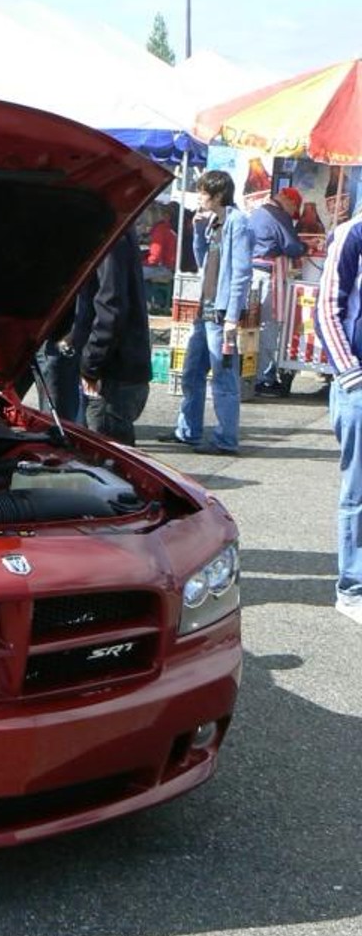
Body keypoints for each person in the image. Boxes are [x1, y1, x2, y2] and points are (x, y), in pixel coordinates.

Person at [165, 169, 253, 455]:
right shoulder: (214, 221)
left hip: (220, 312)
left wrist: (232, 316)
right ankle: (188, 430)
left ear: (217, 195)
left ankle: (226, 439)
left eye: (203, 192)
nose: (199, 196)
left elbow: (240, 272)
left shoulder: (237, 222)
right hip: (207, 308)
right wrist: (198, 231)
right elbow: (204, 261)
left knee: (223, 378)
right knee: (192, 372)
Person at [314, 213, 362, 624]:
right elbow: (328, 308)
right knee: (359, 492)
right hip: (359, 383)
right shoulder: (353, 234)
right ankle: (353, 588)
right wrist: (352, 375)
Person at [69, 223, 152, 444]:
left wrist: (91, 363)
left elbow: (111, 307)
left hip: (114, 373)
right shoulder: (118, 231)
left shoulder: (110, 235)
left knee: (108, 460)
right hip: (120, 368)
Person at [248, 186, 305, 394]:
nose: (293, 215)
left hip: (252, 274)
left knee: (252, 327)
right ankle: (264, 378)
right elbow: (292, 246)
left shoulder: (258, 211)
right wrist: (306, 247)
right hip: (267, 276)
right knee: (268, 326)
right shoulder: (279, 215)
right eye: (294, 210)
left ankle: (252, 374)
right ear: (289, 201)